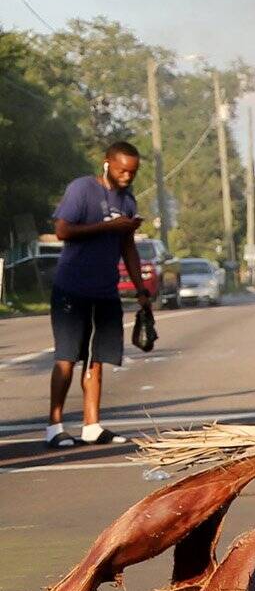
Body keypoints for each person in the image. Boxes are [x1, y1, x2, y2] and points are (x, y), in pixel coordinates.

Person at [45, 140, 152, 449]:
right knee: (67, 358)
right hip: (72, 287)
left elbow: (127, 246)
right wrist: (107, 227)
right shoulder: (82, 189)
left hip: (105, 290)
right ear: (107, 163)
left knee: (97, 360)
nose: (127, 177)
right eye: (122, 170)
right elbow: (63, 231)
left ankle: (92, 425)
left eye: (132, 172)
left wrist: (141, 289)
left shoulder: (128, 201)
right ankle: (55, 426)